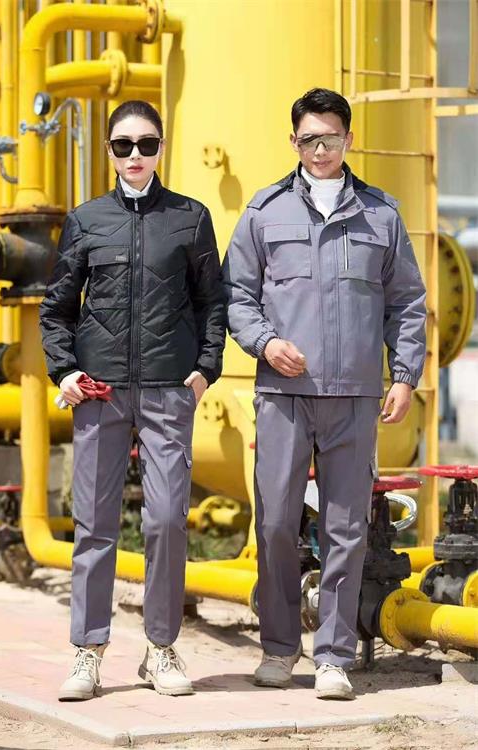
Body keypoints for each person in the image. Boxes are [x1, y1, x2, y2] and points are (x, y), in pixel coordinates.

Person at [222, 88, 426, 700]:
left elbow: (407, 303)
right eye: (309, 139)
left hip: (355, 396)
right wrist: (264, 343)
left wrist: (404, 375)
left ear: (348, 139)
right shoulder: (263, 213)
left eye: (330, 138)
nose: (319, 149)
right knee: (275, 522)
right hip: (283, 394)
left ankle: (333, 657)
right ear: (294, 142)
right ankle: (279, 647)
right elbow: (236, 295)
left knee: (346, 528)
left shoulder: (381, 215)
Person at [40, 100, 226, 700]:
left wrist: (204, 370)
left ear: (161, 148)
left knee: (167, 520)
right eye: (124, 145)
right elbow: (57, 308)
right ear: (109, 152)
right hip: (101, 391)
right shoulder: (86, 220)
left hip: (170, 389)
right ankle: (87, 651)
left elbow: (213, 303)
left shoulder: (190, 218)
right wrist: (64, 370)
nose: (136, 155)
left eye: (147, 144)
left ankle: (161, 648)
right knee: (94, 523)